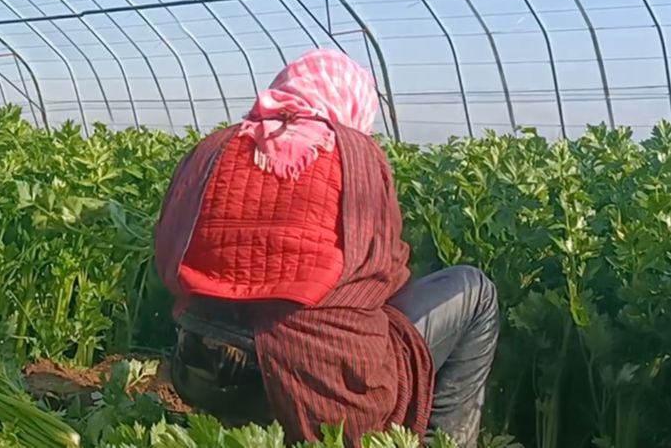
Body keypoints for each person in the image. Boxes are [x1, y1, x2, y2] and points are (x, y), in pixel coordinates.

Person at [154, 49, 498, 448]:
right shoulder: (356, 155)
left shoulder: (213, 148)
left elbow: (167, 256)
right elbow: (382, 273)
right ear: (354, 103)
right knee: (475, 292)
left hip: (201, 369)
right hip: (320, 388)